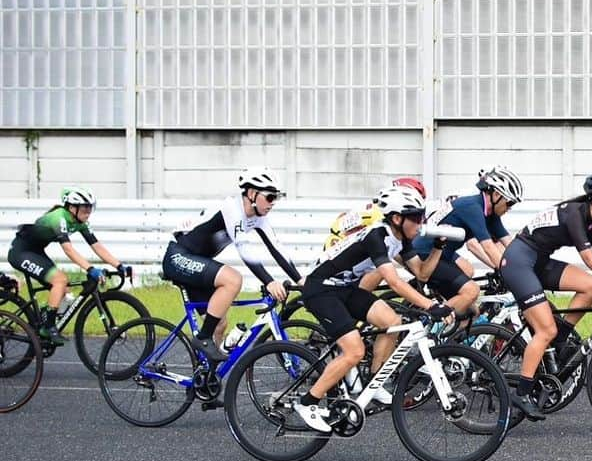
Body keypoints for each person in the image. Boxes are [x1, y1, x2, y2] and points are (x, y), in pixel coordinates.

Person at [293, 185, 453, 432]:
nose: (421, 223)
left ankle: (375, 382)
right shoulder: (376, 236)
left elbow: (422, 273)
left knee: (393, 321)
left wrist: (437, 248)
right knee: (354, 351)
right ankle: (308, 402)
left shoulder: (401, 240)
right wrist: (431, 305)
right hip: (320, 289)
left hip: (344, 288)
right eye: (416, 217)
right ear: (397, 218)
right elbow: (393, 281)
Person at [499, 173, 592, 421]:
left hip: (538, 262)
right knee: (545, 330)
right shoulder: (575, 213)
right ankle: (521, 393)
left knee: (590, 287)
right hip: (518, 263)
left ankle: (560, 341)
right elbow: (588, 258)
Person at [161, 168, 301, 362]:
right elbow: (244, 249)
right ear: (252, 194)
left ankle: (206, 378)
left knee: (219, 324)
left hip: (197, 262)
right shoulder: (232, 209)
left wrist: (300, 279)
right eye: (270, 197)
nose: (273, 203)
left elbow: (276, 248)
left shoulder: (258, 218)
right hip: (178, 256)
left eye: (276, 197)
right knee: (233, 279)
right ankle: (202, 338)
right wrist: (269, 281)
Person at [6, 187, 128, 345]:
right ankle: (48, 328)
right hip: (20, 253)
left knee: (64, 291)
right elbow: (68, 249)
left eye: (90, 207)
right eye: (85, 208)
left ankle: (44, 318)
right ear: (72, 208)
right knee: (60, 280)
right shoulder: (60, 218)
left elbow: (97, 246)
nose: (88, 211)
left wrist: (119, 265)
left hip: (36, 252)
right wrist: (90, 269)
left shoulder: (80, 222)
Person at [411, 166, 523, 315]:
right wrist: (513, 275)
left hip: (443, 257)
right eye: (510, 203)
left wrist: (527, 265)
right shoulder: (472, 207)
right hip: (425, 254)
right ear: (496, 195)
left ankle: (445, 334)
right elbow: (488, 247)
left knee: (470, 313)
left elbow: (509, 244)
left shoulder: (490, 214)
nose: (510, 208)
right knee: (471, 291)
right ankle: (431, 327)